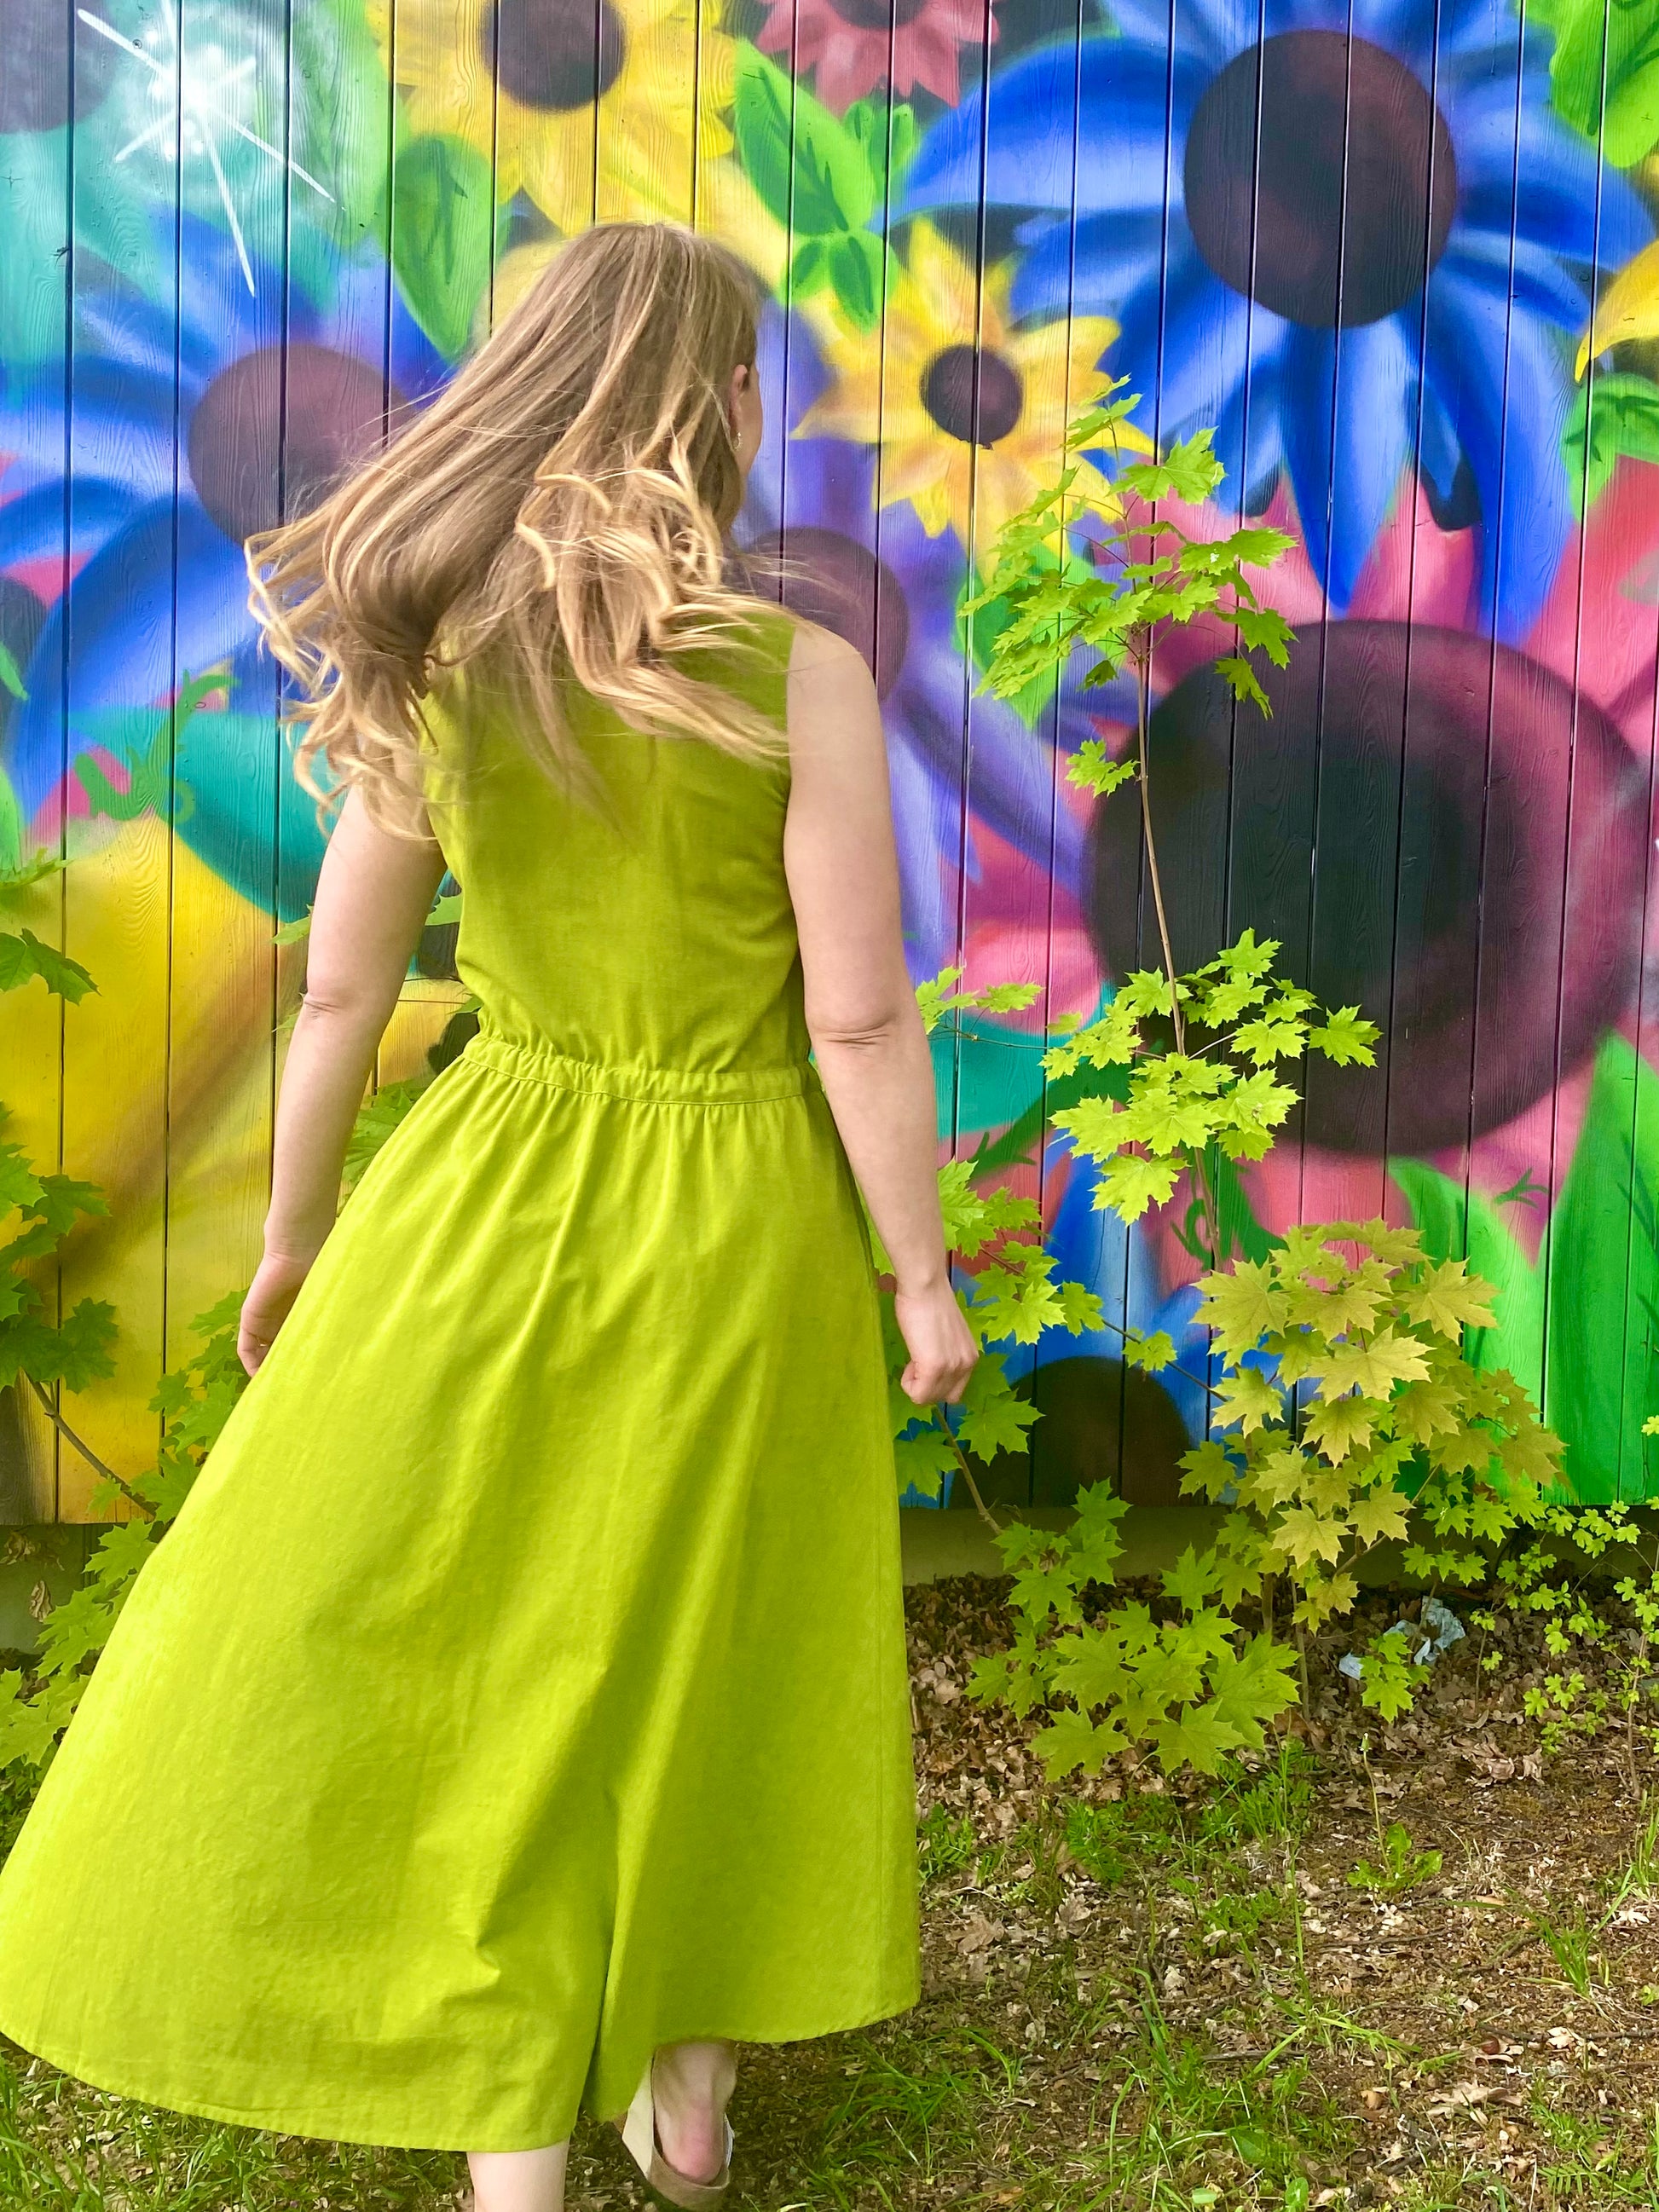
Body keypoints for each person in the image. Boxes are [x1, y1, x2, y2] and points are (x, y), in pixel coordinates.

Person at [0, 222, 976, 2212]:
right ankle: (686, 2087)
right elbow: (861, 1016)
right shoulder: (794, 673)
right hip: (738, 1208)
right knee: (714, 1625)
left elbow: (339, 991)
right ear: (721, 407)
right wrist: (921, 1272)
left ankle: (508, 2147)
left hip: (493, 1193)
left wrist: (294, 1233)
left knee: (498, 1638)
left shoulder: (451, 657)